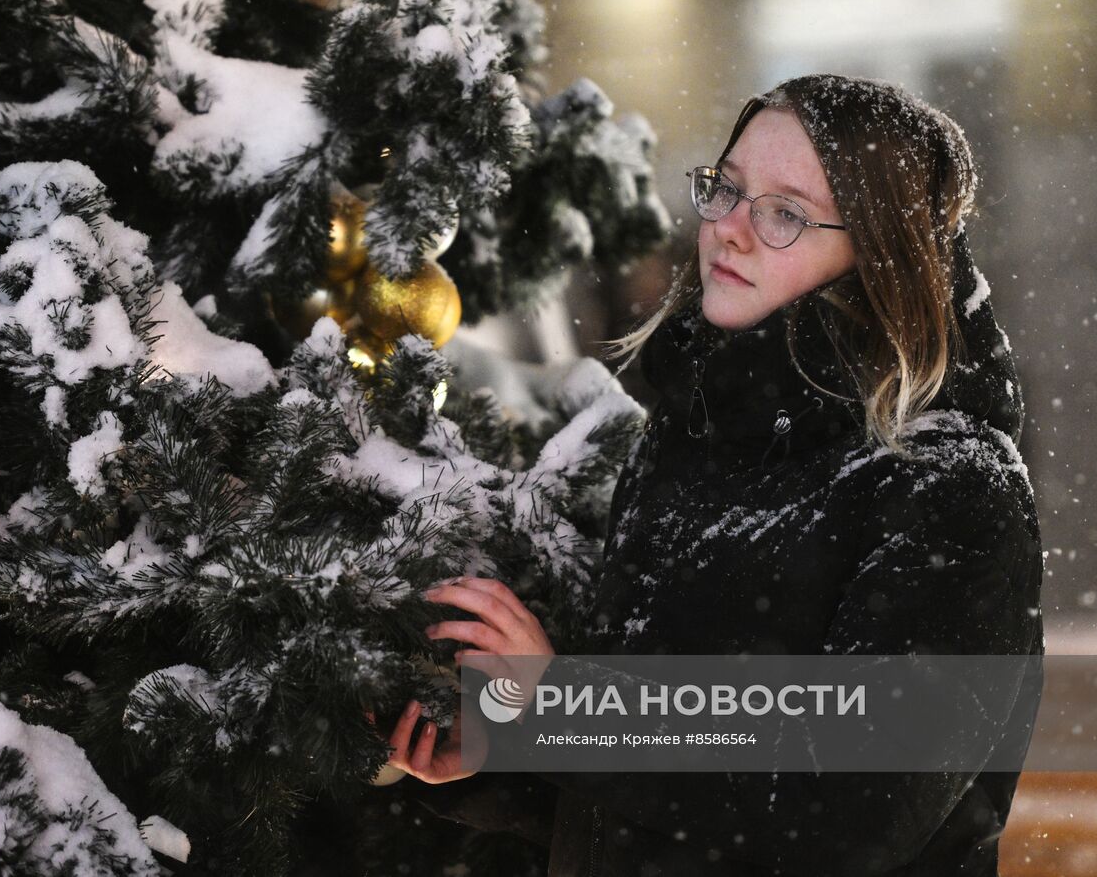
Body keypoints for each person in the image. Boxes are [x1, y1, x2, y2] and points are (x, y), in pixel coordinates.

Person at [372, 74, 1046, 876]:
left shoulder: (948, 485)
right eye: (726, 190)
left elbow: (847, 805)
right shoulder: (692, 433)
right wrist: (504, 749)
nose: (730, 229)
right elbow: (657, 799)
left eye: (786, 213)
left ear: (881, 257)